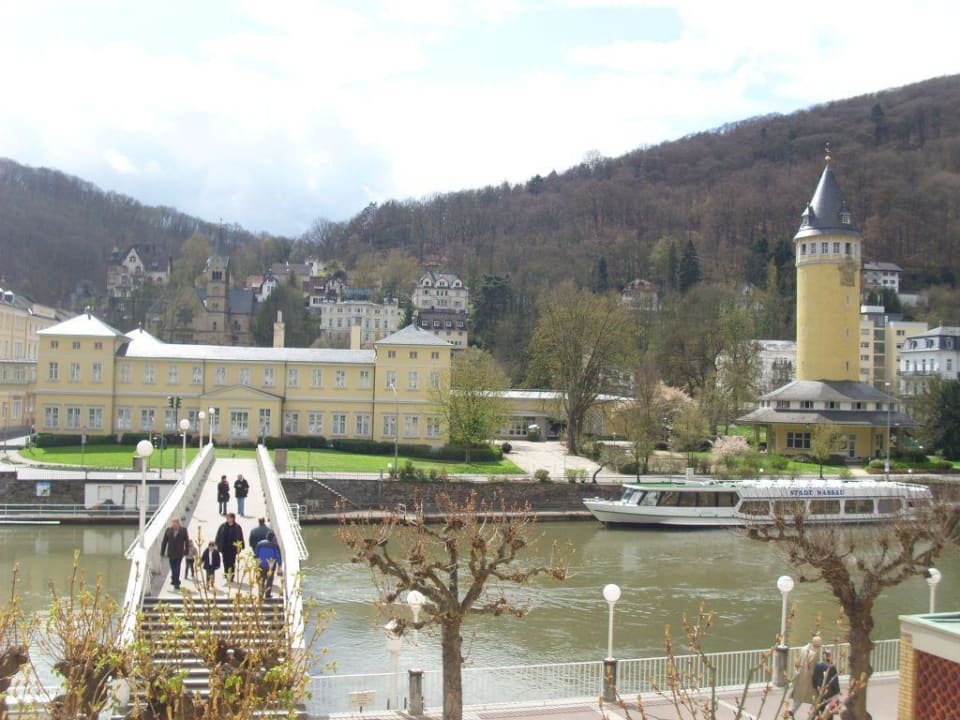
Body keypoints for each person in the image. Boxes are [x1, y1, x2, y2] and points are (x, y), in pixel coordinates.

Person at [789, 635, 822, 718]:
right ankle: (814, 713)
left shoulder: (803, 649)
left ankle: (792, 710)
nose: (820, 647)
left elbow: (798, 661)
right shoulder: (814, 654)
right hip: (808, 680)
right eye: (819, 645)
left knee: (799, 695)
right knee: (815, 697)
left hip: (800, 677)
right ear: (816, 645)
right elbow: (814, 669)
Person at [159, 517, 189, 590]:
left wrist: (186, 551)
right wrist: (162, 552)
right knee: (173, 567)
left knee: (177, 567)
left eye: (175, 523)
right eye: (173, 523)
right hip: (171, 553)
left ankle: (177, 583)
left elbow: (187, 541)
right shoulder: (168, 530)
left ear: (178, 523)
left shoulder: (183, 530)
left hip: (179, 553)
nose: (174, 525)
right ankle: (173, 578)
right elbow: (164, 542)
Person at [215, 512, 244, 583]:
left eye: (228, 518)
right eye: (226, 518)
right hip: (224, 548)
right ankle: (226, 574)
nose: (227, 519)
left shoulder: (237, 527)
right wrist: (216, 544)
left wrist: (240, 546)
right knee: (225, 562)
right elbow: (218, 536)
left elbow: (240, 537)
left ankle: (231, 576)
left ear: (232, 518)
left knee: (232, 562)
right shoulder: (223, 526)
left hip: (233, 549)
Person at [812, 650, 841, 718]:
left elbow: (814, 678)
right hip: (829, 692)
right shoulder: (831, 667)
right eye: (831, 656)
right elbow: (835, 680)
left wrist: (815, 687)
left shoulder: (817, 665)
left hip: (819, 690)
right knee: (829, 710)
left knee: (820, 710)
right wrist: (837, 692)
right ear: (828, 657)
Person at [254, 531, 282, 598]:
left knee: (262, 580)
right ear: (273, 538)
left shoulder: (260, 544)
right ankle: (267, 594)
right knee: (269, 580)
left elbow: (256, 554)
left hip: (261, 564)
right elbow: (278, 556)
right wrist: (279, 564)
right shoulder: (275, 546)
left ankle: (260, 594)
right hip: (270, 566)